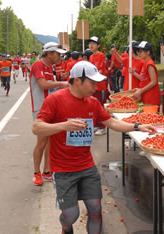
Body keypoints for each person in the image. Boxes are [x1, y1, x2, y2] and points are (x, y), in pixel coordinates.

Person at [32, 61, 156, 234]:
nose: (96, 87)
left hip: (86, 166)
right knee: (70, 215)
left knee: (96, 209)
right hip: (62, 169)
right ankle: (65, 229)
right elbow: (36, 127)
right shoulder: (55, 99)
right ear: (77, 80)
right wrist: (63, 126)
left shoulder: (93, 103)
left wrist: (136, 126)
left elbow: (112, 122)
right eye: (92, 82)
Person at [30, 42, 68, 186]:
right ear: (50, 53)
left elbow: (50, 87)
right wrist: (61, 83)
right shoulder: (38, 65)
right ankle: (36, 173)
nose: (59, 56)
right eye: (58, 53)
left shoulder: (49, 67)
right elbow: (43, 85)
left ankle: (47, 171)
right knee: (41, 142)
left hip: (50, 107)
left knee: (50, 142)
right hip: (40, 108)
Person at [88, 36, 108, 136]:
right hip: (93, 85)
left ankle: (102, 127)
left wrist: (94, 80)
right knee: (92, 106)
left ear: (98, 45)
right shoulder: (91, 57)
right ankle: (95, 125)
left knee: (100, 106)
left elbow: (100, 70)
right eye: (90, 43)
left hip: (100, 86)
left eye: (94, 43)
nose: (91, 45)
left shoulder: (101, 55)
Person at [132, 41, 161, 106]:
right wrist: (139, 89)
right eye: (138, 51)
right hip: (146, 96)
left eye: (141, 51)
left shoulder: (149, 64)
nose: (139, 53)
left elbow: (154, 82)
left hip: (152, 98)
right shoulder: (145, 63)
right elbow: (145, 80)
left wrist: (141, 91)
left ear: (148, 52)